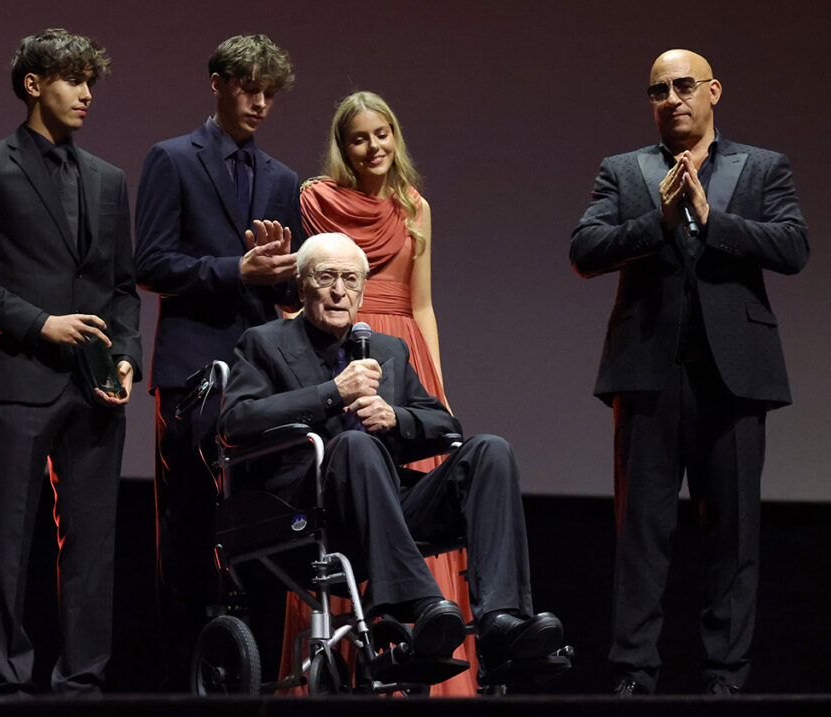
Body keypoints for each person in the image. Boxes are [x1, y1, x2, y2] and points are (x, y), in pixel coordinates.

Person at [570, 49, 809, 695]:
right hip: (649, 370)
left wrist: (712, 219)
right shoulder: (624, 171)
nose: (671, 98)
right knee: (641, 531)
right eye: (657, 89)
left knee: (734, 535)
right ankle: (634, 674)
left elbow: (793, 246)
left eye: (683, 85)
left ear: (713, 91)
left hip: (736, 374)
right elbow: (585, 250)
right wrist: (663, 219)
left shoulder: (762, 166)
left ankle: (725, 677)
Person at [220, 232, 565, 677]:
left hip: (386, 500)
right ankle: (420, 607)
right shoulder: (264, 342)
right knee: (355, 443)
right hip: (309, 505)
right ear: (302, 286)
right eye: (326, 277)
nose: (339, 291)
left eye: (350, 279)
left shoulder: (388, 350)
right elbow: (236, 422)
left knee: (490, 450)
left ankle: (501, 621)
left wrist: (396, 418)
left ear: (364, 289)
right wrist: (332, 393)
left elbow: (444, 424)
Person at [0, 28, 141, 695]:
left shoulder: (109, 179)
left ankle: (82, 678)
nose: (86, 94)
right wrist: (40, 323)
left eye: (91, 81)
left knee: (93, 541)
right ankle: (5, 678)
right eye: (72, 79)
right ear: (34, 85)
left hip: (95, 386)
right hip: (20, 373)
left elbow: (120, 288)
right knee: (9, 538)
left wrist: (126, 359)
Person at [133, 33, 304, 690]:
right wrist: (237, 268)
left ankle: (249, 673)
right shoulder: (173, 159)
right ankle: (180, 673)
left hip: (260, 379)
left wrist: (285, 276)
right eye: (248, 88)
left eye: (269, 93)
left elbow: (284, 293)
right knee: (190, 521)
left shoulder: (283, 179)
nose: (260, 103)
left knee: (259, 521)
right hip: (192, 372)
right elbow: (151, 264)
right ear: (217, 82)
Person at [298, 91, 476, 695]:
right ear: (342, 147)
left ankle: (428, 647)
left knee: (419, 491)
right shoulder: (319, 199)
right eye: (359, 138)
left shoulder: (415, 207)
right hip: (344, 343)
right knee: (351, 478)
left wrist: (438, 388)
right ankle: (353, 654)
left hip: (403, 354)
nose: (373, 147)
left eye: (383, 134)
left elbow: (422, 304)